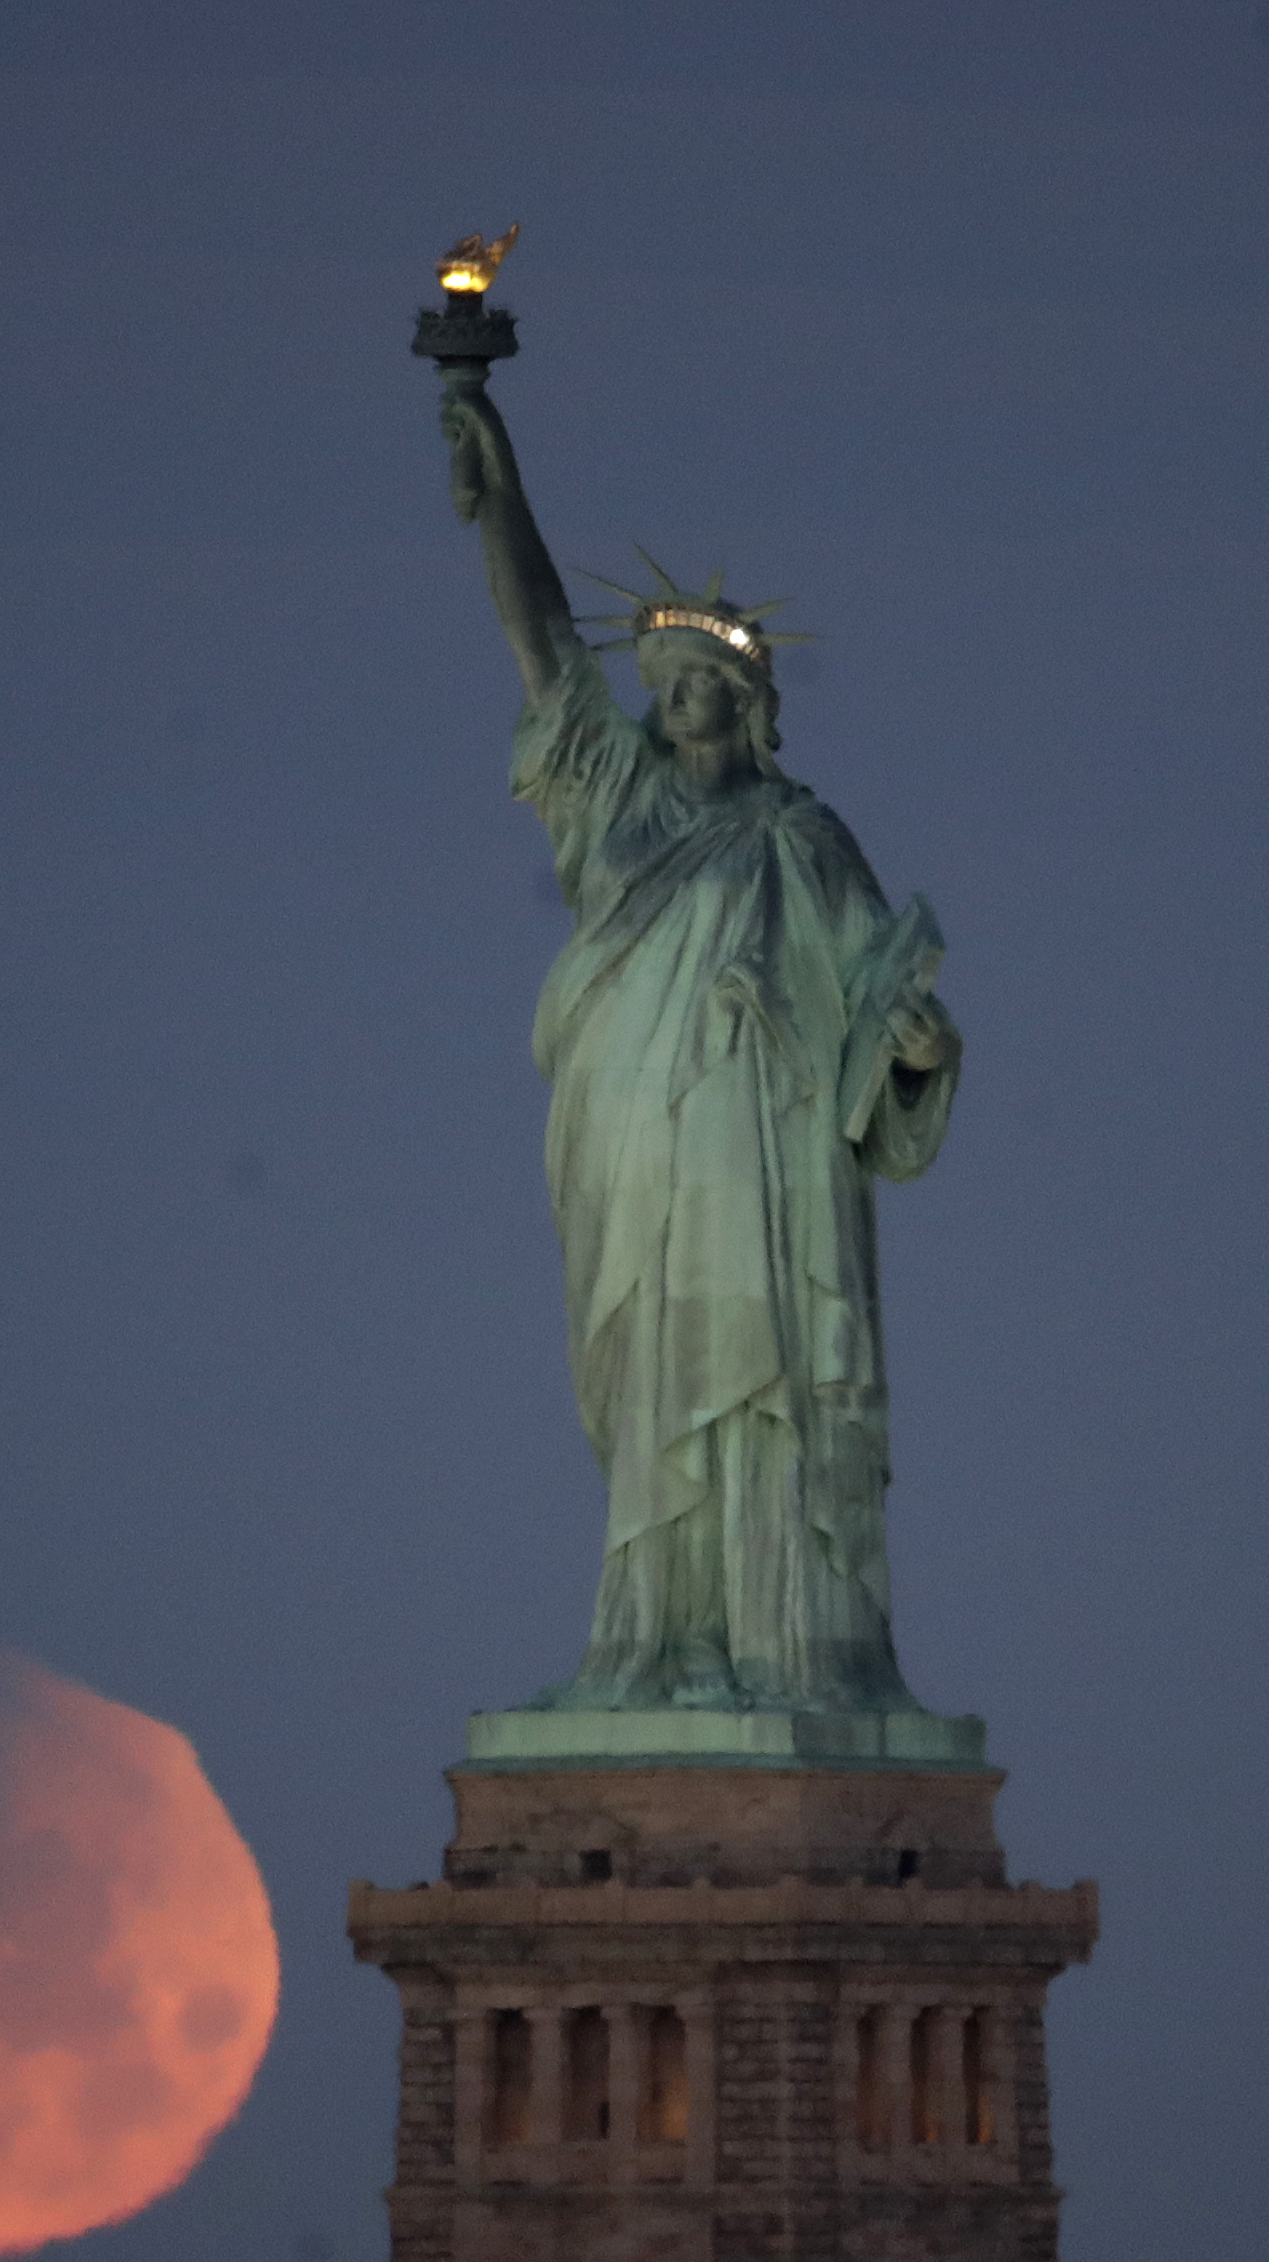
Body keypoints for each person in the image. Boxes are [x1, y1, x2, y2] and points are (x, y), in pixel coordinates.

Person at [440, 378, 964, 1718]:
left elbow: (877, 1019)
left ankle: (784, 1649)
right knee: (660, 1369)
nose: (671, 702)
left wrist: (912, 1047)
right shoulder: (608, 794)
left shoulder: (805, 840)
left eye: (698, 685)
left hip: (765, 1154)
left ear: (748, 704)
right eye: (660, 684)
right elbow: (542, 642)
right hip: (632, 1135)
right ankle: (654, 1646)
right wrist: (496, 475)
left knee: (763, 1377)